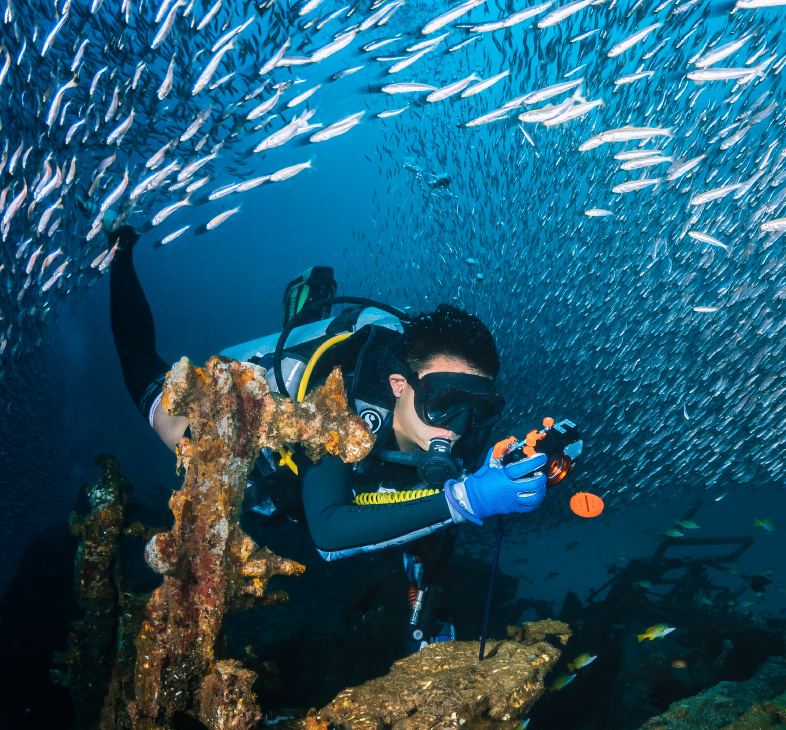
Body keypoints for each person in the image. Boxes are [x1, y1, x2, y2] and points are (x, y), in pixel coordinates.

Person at [107, 225, 547, 648]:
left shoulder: (451, 429)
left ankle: (312, 306)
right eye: (447, 402)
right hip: (259, 415)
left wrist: (430, 607)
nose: (457, 427)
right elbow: (329, 532)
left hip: (351, 463)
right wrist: (466, 500)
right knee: (161, 409)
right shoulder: (341, 400)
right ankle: (121, 253)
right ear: (399, 384)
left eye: (480, 410)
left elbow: (427, 516)